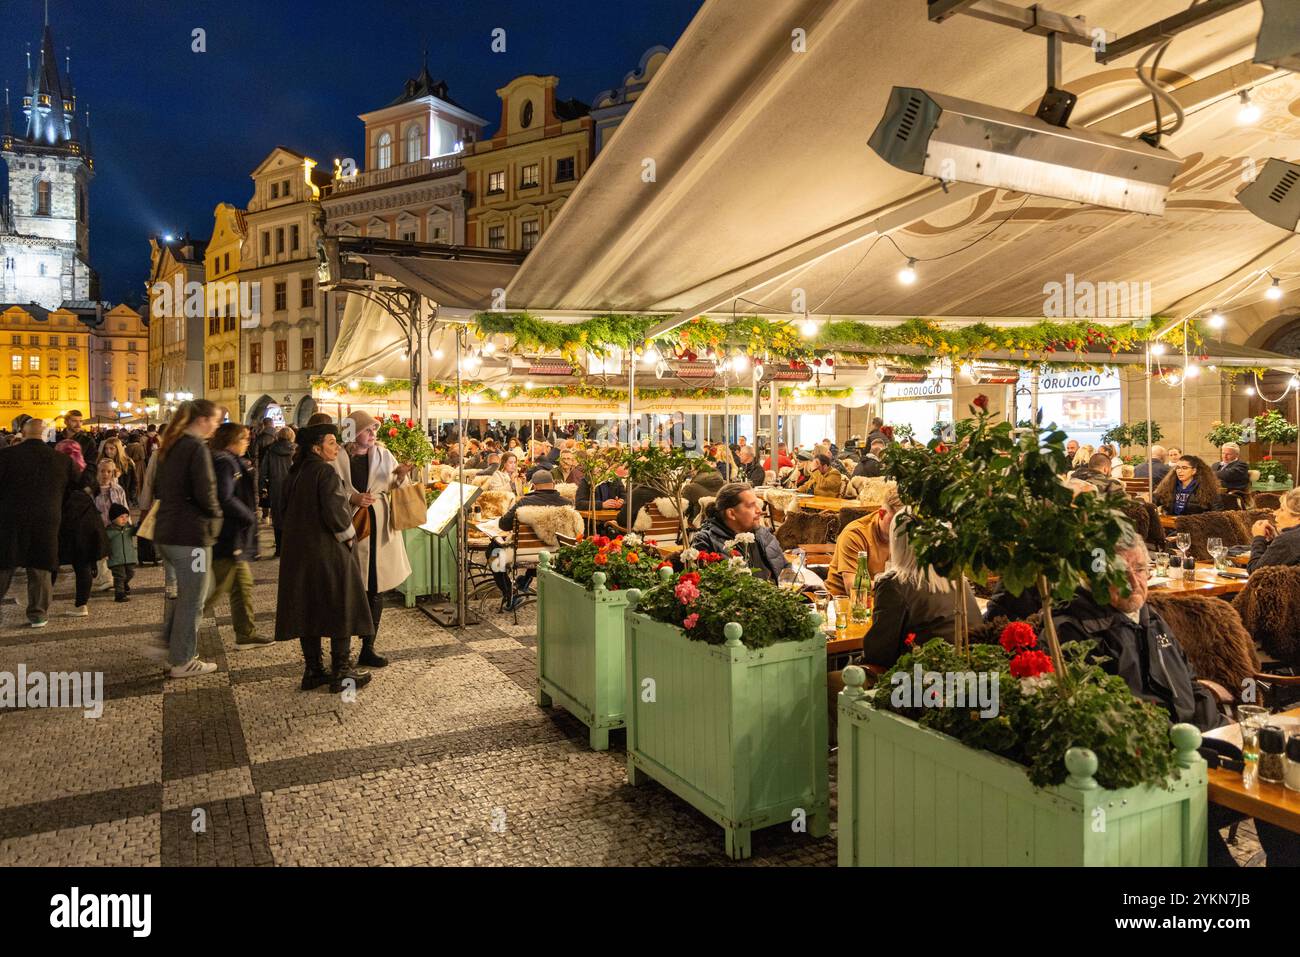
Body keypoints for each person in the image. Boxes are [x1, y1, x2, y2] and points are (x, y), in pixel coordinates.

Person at [275, 422, 374, 693]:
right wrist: (349, 536)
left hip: (299, 554)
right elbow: (336, 514)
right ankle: (341, 672)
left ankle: (314, 670)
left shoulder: (295, 472)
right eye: (331, 442)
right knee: (340, 603)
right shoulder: (325, 472)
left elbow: (281, 512)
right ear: (316, 448)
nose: (337, 447)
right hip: (327, 553)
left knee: (309, 606)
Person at [331, 411, 413, 668]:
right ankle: (342, 652)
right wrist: (352, 498)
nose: (372, 434)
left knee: (376, 587)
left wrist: (400, 475)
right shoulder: (338, 457)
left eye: (374, 429)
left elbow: (399, 486)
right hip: (349, 525)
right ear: (352, 433)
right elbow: (330, 490)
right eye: (367, 430)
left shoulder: (383, 454)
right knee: (351, 585)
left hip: (379, 526)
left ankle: (369, 646)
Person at [152, 399, 224, 679]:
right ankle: (182, 660)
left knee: (197, 593)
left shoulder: (171, 445)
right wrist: (217, 515)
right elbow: (206, 490)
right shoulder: (195, 447)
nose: (216, 426)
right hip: (190, 537)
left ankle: (169, 645)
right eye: (215, 420)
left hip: (168, 532)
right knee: (194, 598)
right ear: (202, 420)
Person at [859, 512, 980, 669]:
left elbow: (878, 653)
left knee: (834, 679)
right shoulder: (957, 578)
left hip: (925, 679)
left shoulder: (895, 585)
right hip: (971, 670)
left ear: (896, 541)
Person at [0, 419, 79, 627]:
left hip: (9, 518)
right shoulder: (62, 460)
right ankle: (38, 613)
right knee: (41, 566)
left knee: (4, 563)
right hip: (47, 519)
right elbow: (74, 489)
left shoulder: (5, 456)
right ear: (47, 435)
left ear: (22, 433)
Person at [203, 423, 271, 649]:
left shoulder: (226, 460)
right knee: (213, 592)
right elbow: (225, 496)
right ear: (231, 440)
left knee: (243, 584)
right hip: (227, 536)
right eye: (244, 439)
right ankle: (173, 638)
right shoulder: (224, 462)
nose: (247, 443)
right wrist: (248, 516)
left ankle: (246, 633)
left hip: (233, 537)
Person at [496, 469, 570, 609]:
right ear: (553, 484)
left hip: (525, 554)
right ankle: (524, 580)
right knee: (542, 547)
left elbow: (504, 525)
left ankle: (509, 594)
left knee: (493, 554)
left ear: (534, 486)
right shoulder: (567, 503)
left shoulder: (524, 502)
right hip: (556, 553)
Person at [692, 483, 789, 582]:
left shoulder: (763, 534)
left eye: (757, 504)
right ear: (731, 514)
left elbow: (785, 568)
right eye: (751, 505)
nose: (759, 510)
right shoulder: (706, 541)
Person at [827, 492, 899, 597]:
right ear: (882, 514)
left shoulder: (908, 534)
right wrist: (892, 586)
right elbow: (853, 587)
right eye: (896, 521)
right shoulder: (855, 534)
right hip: (842, 603)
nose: (902, 528)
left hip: (883, 601)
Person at [1247, 486, 1300, 572]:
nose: (1275, 513)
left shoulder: (1289, 540)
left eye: (1282, 509)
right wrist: (1274, 540)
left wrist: (1258, 538)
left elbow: (1256, 573)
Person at [260, 426, 295, 557]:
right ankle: (290, 547)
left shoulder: (271, 450)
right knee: (292, 516)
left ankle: (279, 548)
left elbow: (264, 471)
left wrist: (262, 487)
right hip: (293, 487)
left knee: (277, 517)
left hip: (275, 487)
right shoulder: (296, 450)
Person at [1153, 455, 1220, 516]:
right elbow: (1155, 500)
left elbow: (1218, 514)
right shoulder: (1169, 486)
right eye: (1178, 468)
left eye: (1184, 468)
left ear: (1194, 471)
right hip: (1170, 525)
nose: (1179, 471)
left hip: (1194, 526)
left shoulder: (1207, 489)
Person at [105, 503, 137, 603]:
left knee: (130, 573)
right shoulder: (109, 531)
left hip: (129, 557)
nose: (124, 519)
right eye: (121, 517)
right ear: (113, 519)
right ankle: (119, 594)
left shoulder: (129, 529)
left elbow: (138, 531)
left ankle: (123, 584)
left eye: (127, 517)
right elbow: (104, 543)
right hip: (116, 559)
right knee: (120, 576)